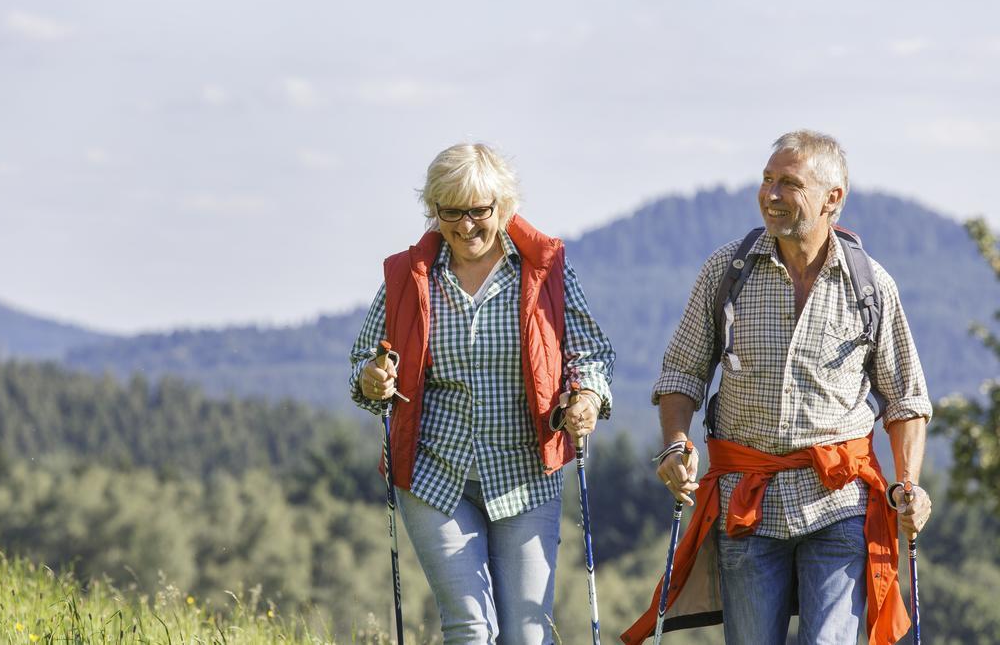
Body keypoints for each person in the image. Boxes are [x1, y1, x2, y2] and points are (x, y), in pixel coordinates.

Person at [621, 130, 932, 645]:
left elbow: (906, 400)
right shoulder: (726, 270)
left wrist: (908, 484)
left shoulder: (871, 285)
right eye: (767, 180)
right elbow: (681, 373)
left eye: (789, 183)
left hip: (839, 503)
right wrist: (676, 442)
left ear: (833, 199)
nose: (770, 194)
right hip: (747, 503)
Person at [349, 142, 615, 644]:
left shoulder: (544, 271)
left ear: (504, 207)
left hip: (525, 476)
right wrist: (373, 378)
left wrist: (585, 396)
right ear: (434, 210)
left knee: (527, 634)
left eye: (479, 211)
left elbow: (591, 354)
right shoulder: (409, 278)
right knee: (469, 627)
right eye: (451, 211)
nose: (465, 225)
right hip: (433, 475)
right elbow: (364, 365)